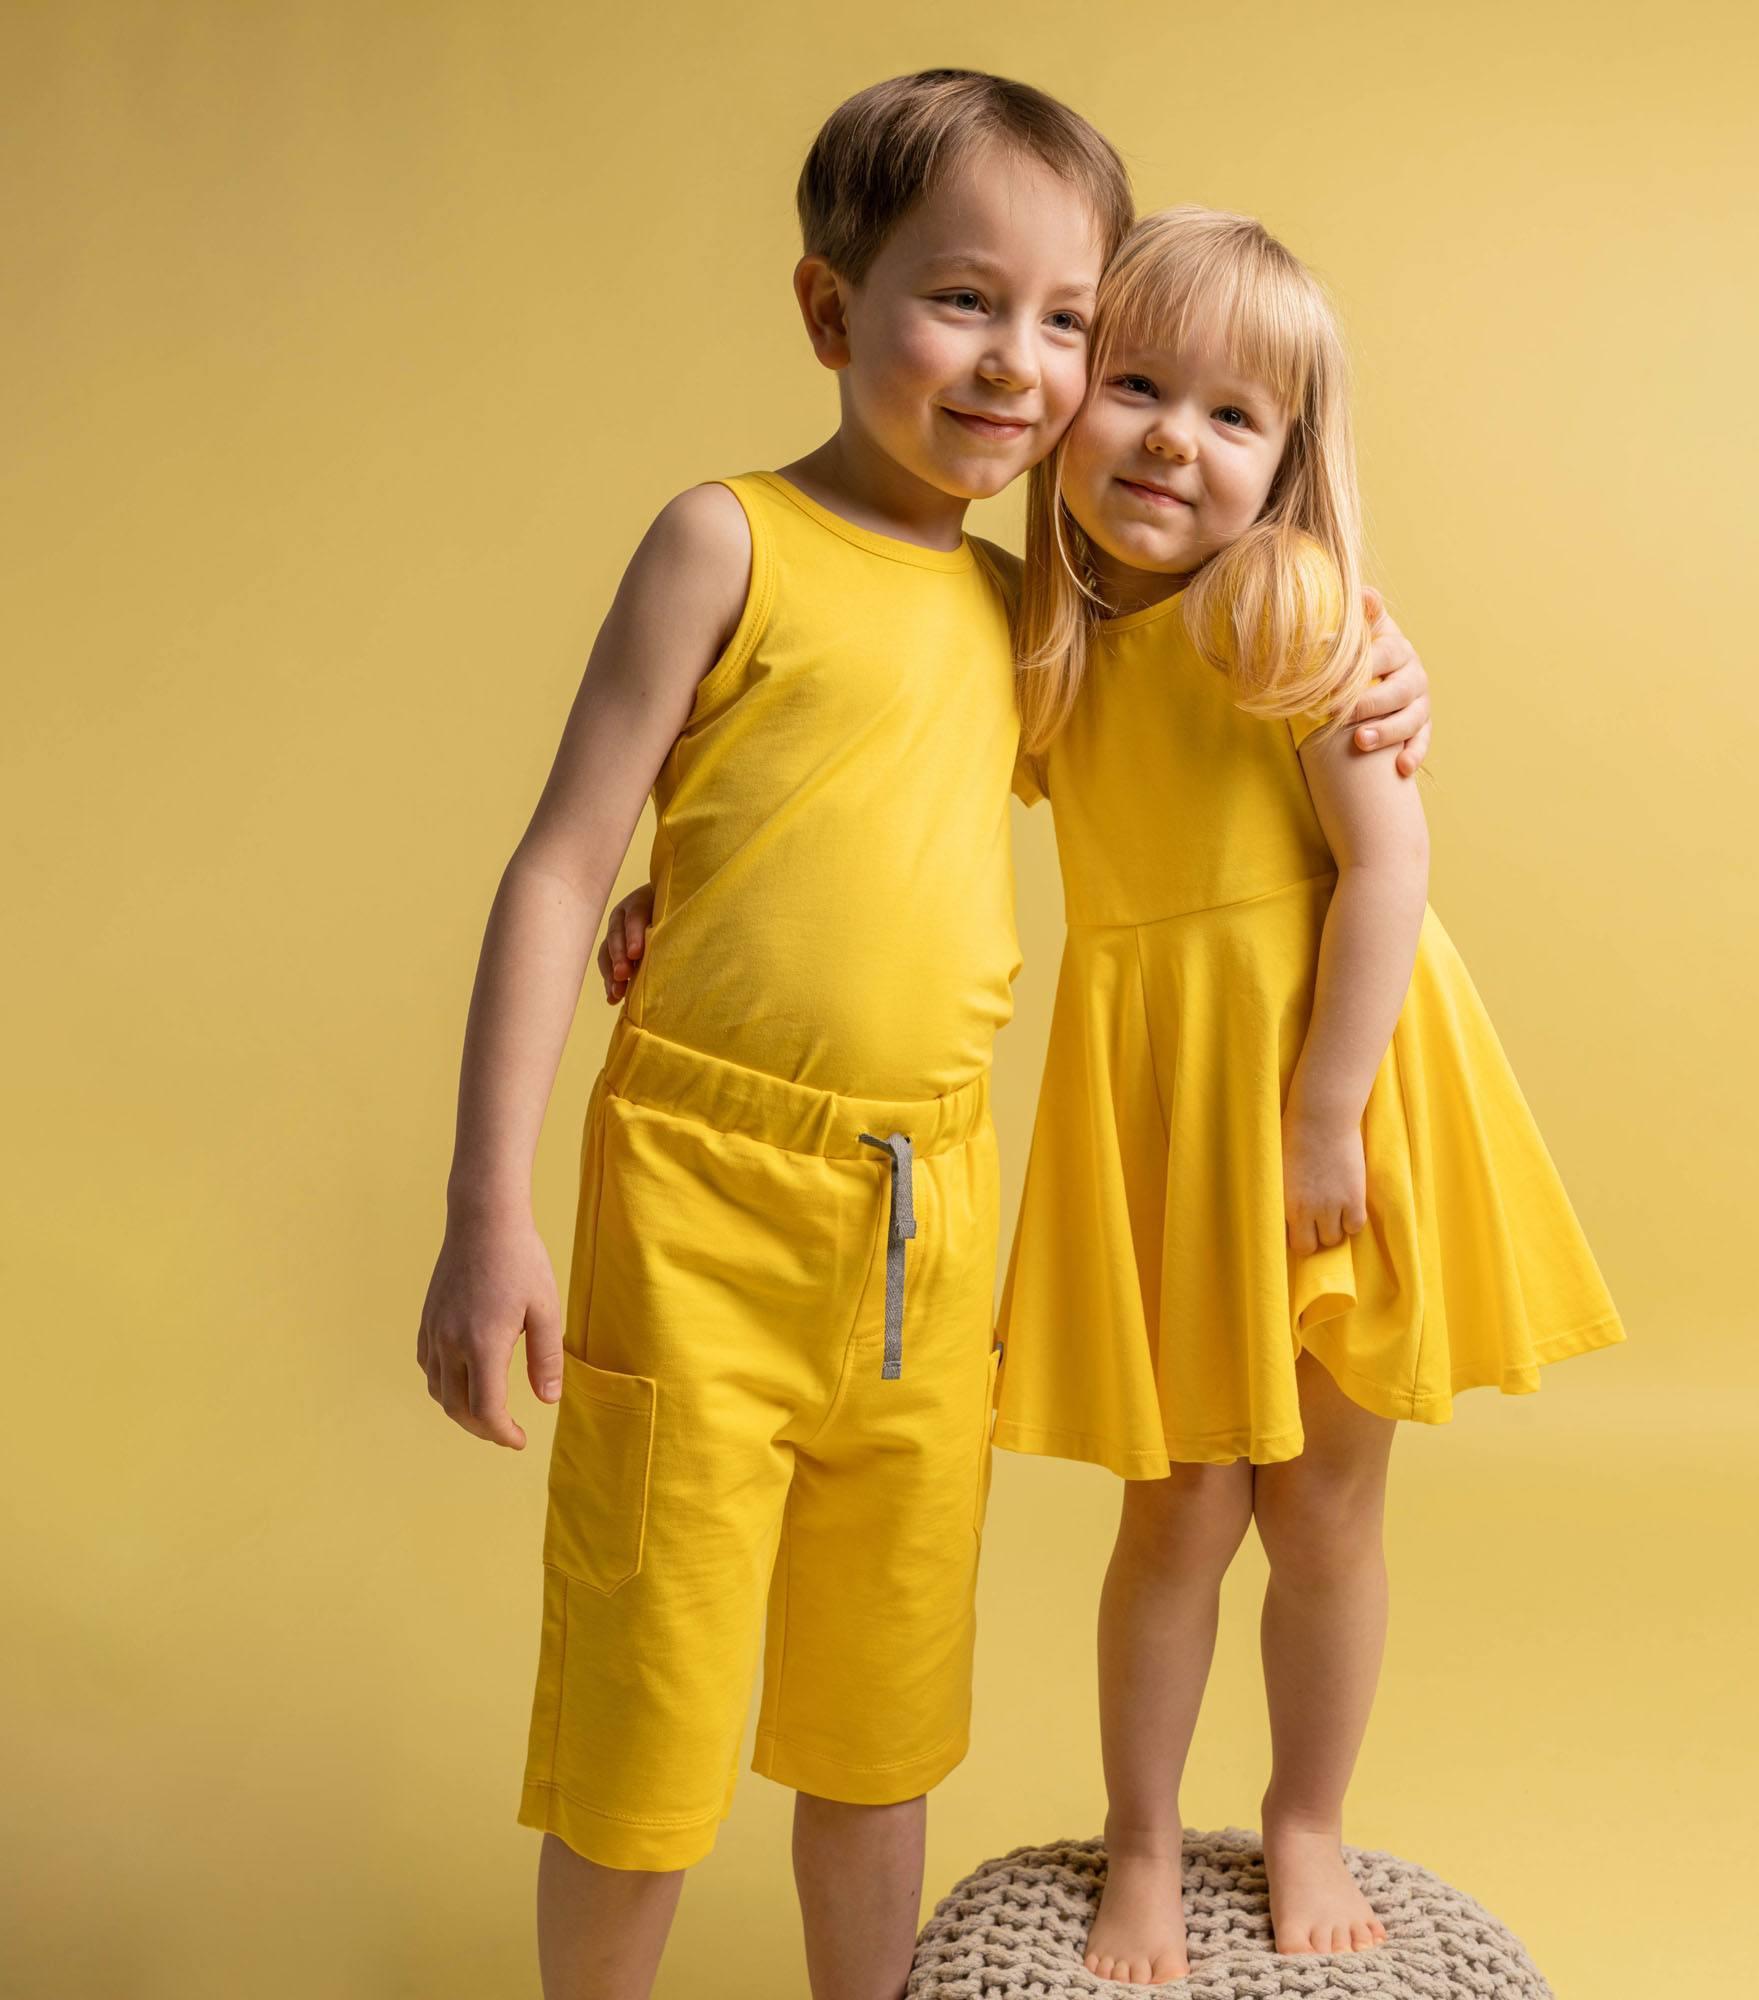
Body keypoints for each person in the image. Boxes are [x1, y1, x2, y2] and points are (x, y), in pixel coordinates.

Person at [420, 72, 1437, 2000]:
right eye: (967, 303)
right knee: (646, 1720)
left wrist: (1381, 661)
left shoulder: (1034, 609)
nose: (1021, 368)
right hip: (704, 1211)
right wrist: (491, 1214)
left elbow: (1191, 705)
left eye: (1070, 325)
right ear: (831, 311)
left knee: (880, 1726)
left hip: (929, 1226)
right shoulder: (722, 542)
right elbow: (565, 866)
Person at [988, 206, 1627, 1984]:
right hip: (1166, 1100)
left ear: (1288, 462)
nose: (1173, 441)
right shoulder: (1036, 621)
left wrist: (1326, 1112)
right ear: (1065, 399)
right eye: (1134, 386)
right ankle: (1137, 1839)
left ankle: (1305, 1818)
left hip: (1332, 1086)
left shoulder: (1290, 606)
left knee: (1328, 1506)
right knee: (1178, 1505)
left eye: (1232, 416)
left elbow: (1388, 867)